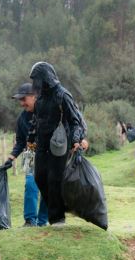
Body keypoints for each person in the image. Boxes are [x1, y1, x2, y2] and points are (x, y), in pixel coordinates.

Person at [27, 62, 88, 226]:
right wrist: (31, 139)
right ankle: (57, 208)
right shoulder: (40, 98)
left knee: (54, 179)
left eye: (37, 79)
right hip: (42, 145)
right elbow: (36, 120)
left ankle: (57, 219)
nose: (35, 84)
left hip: (59, 145)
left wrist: (76, 140)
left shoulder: (62, 95)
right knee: (40, 177)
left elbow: (76, 121)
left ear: (45, 78)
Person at [5, 83, 49, 227]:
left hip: (49, 154)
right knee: (30, 184)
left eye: (24, 99)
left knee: (47, 188)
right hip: (29, 154)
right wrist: (11, 158)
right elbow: (19, 142)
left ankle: (42, 222)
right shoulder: (21, 119)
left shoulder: (48, 112)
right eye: (20, 100)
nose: (22, 103)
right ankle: (30, 220)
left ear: (34, 96)